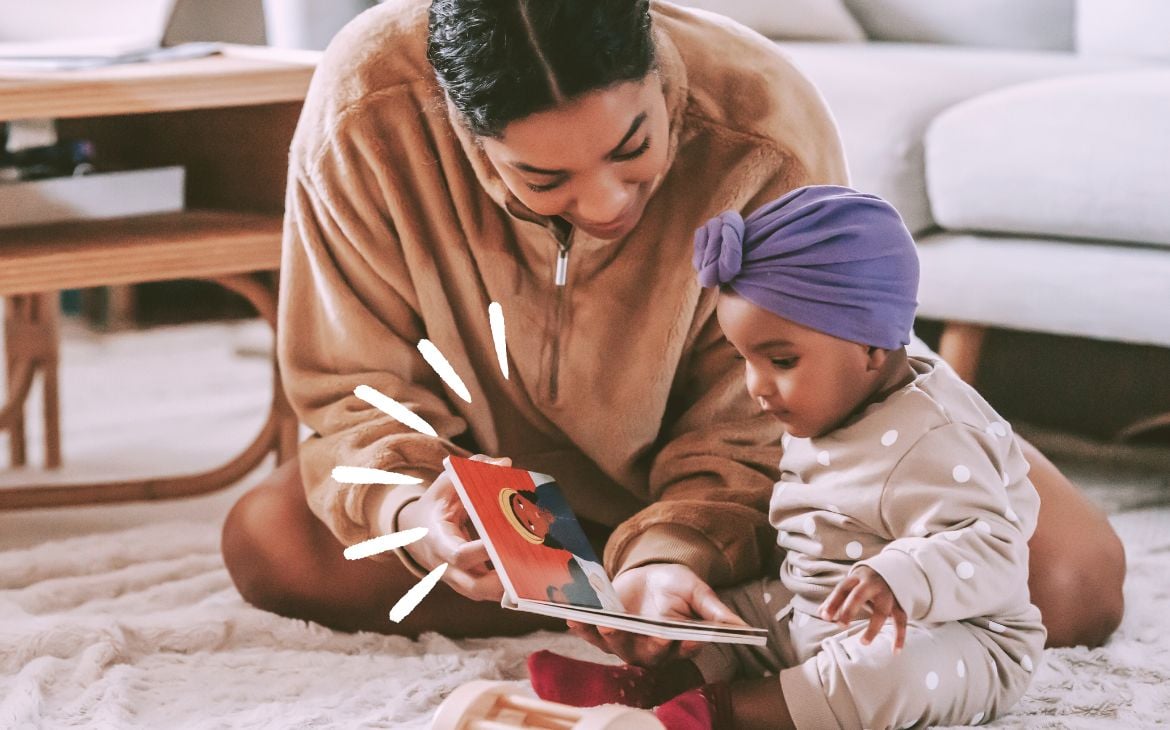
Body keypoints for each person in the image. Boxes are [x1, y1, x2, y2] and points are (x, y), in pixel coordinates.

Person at [220, 0, 1123, 651]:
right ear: (461, 126)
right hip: (506, 473)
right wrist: (419, 512)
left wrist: (676, 544)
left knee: (1067, 582)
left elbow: (770, 409)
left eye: (633, 149)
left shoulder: (762, 116)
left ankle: (691, 591)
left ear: (655, 59)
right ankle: (706, 610)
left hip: (768, 469)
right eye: (544, 181)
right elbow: (354, 389)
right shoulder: (367, 108)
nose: (605, 203)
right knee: (270, 542)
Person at [528, 186, 1046, 730]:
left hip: (951, 634)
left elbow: (995, 549)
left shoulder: (936, 436)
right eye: (745, 360)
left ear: (871, 346)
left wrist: (899, 575)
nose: (757, 386)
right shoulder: (831, 404)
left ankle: (719, 714)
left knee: (882, 674)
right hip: (817, 607)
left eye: (780, 360)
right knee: (726, 614)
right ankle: (656, 686)